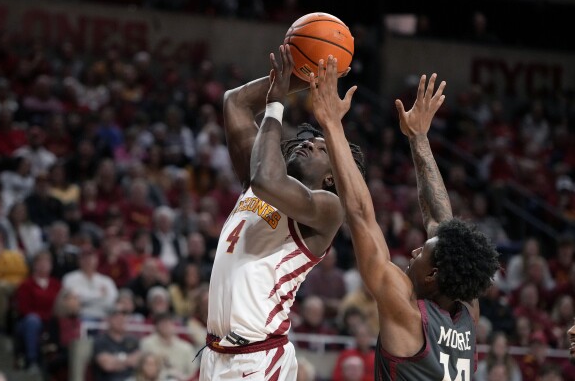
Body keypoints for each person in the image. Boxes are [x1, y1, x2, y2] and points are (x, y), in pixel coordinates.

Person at [310, 58, 499, 380]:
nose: (413, 253)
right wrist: (419, 137)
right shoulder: (466, 312)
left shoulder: (409, 314)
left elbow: (360, 216)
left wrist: (331, 125)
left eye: (421, 252)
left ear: (433, 275)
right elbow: (442, 221)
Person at [199, 45, 364, 381]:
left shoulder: (326, 209)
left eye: (320, 148)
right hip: (216, 354)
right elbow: (235, 102)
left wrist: (276, 105)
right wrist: (300, 79)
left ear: (331, 177)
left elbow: (266, 179)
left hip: (256, 360)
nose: (308, 144)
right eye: (307, 140)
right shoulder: (257, 179)